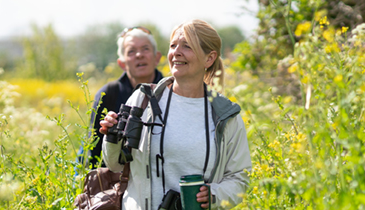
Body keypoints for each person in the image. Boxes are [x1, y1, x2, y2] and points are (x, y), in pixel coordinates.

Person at [99, 20, 251, 209]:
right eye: (173, 45)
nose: (176, 52)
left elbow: (239, 178)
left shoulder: (226, 116)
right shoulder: (143, 99)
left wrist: (214, 195)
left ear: (209, 58)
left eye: (187, 46)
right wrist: (112, 137)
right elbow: (115, 165)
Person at [84, 26, 164, 168]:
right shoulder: (108, 94)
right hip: (117, 182)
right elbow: (92, 152)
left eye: (145, 49)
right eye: (131, 51)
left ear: (157, 57)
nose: (139, 55)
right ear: (122, 63)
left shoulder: (173, 92)